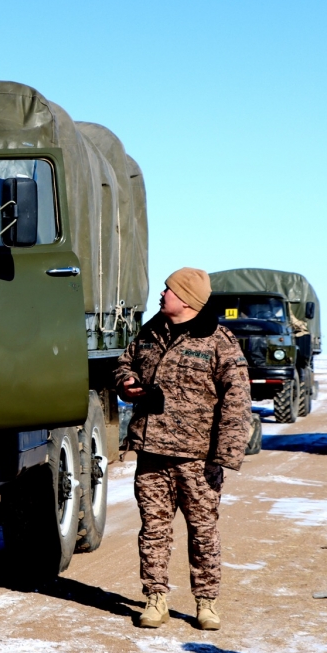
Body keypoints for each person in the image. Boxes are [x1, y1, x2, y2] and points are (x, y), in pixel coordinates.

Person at [114, 267, 252, 632]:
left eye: (168, 290)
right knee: (153, 529)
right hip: (151, 452)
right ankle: (155, 599)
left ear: (188, 299)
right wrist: (126, 382)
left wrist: (225, 455)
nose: (162, 295)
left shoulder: (219, 340)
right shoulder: (150, 331)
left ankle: (206, 603)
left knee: (203, 531)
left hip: (198, 458)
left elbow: (237, 400)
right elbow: (124, 363)